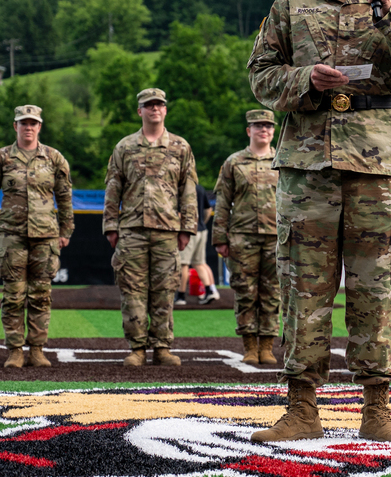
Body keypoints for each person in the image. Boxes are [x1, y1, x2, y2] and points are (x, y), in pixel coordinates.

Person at [248, 0, 391, 443]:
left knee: (377, 287)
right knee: (303, 285)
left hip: (378, 167)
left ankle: (377, 409)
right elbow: (260, 76)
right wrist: (306, 79)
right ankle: (301, 408)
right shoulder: (293, 2)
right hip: (309, 164)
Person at [103, 88, 198, 367]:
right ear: (140, 111)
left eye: (159, 105)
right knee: (132, 290)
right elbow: (113, 188)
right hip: (132, 230)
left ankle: (162, 348)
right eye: (148, 105)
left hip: (167, 230)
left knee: (165, 291)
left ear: (165, 110)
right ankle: (137, 348)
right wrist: (111, 225)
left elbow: (188, 190)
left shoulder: (180, 147)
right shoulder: (124, 147)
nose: (154, 109)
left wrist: (187, 228)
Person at [0, 105, 73, 368]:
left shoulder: (54, 158)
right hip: (11, 236)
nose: (28, 127)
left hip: (45, 236)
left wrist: (66, 230)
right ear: (15, 126)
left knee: (41, 295)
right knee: (13, 296)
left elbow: (65, 197)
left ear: (39, 126)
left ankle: (37, 350)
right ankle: (15, 351)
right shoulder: (1, 158)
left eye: (33, 123)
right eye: (23, 123)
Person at [212, 109, 280, 366]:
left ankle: (267, 346)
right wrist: (220, 237)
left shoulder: (283, 160)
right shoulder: (234, 162)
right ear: (248, 130)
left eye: (268, 126)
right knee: (245, 292)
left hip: (276, 237)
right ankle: (250, 346)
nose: (263, 130)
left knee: (272, 293)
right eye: (258, 125)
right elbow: (223, 202)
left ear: (273, 131)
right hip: (242, 238)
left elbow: (296, 200)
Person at [176, 183, 219, 306]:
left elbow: (178, 213)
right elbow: (208, 209)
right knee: (199, 263)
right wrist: (202, 223)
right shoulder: (199, 188)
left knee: (183, 264)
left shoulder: (181, 187)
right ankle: (211, 290)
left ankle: (180, 296)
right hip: (202, 229)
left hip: (188, 231)